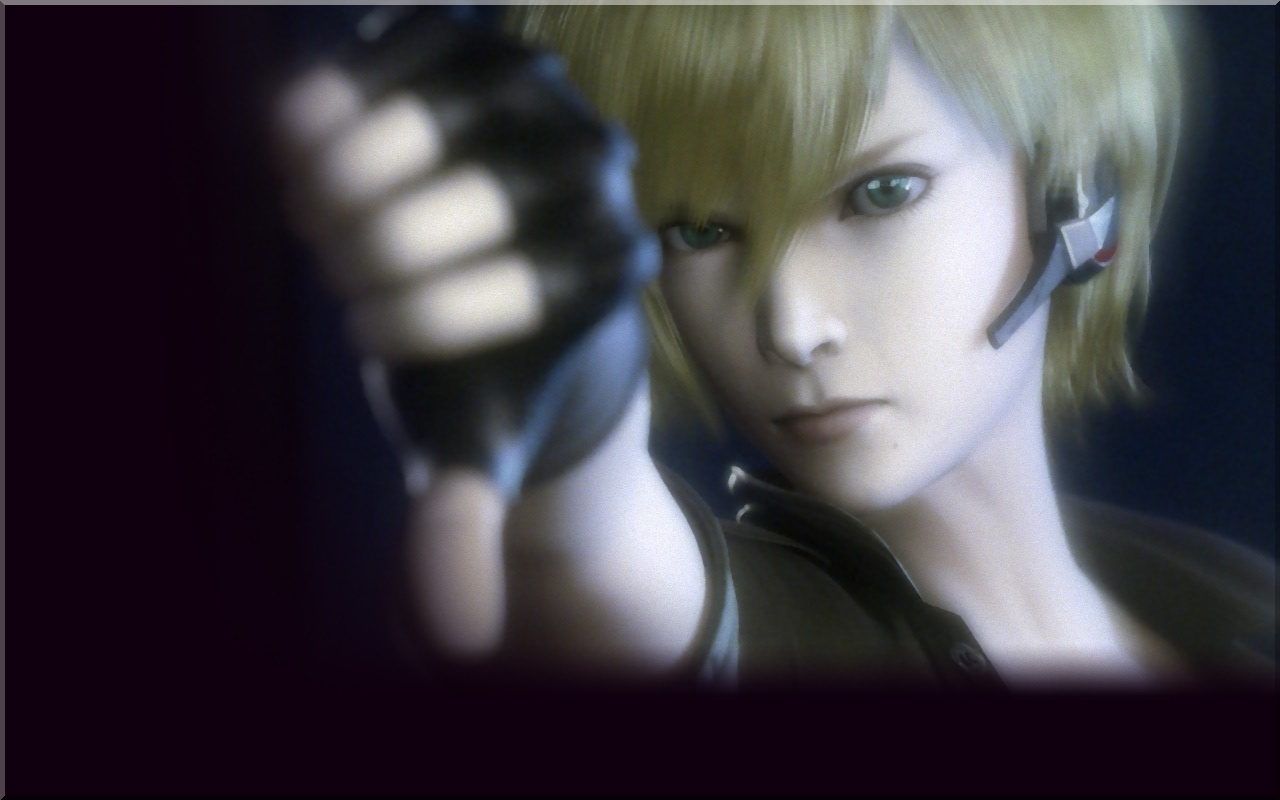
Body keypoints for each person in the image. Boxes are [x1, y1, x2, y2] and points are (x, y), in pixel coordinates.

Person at [274, 6, 1274, 688]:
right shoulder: (761, 626)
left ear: (1073, 189)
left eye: (879, 193)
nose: (789, 326)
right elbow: (598, 568)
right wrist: (566, 413)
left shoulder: (1231, 596)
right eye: (697, 231)